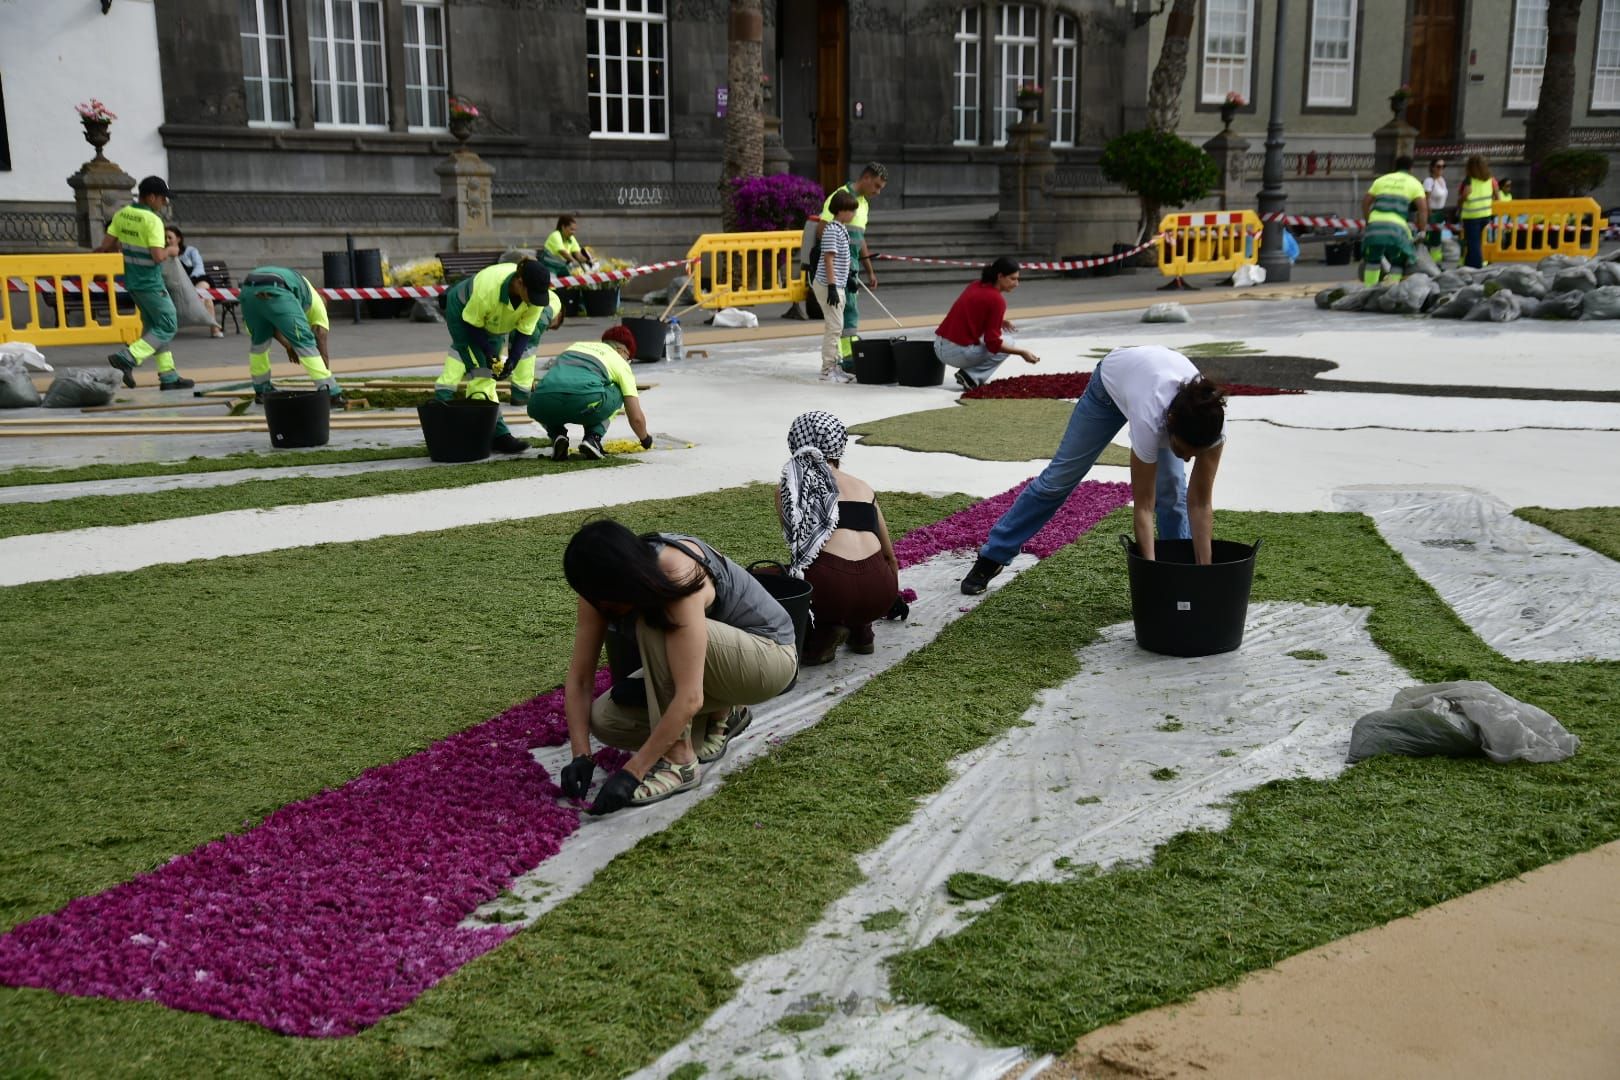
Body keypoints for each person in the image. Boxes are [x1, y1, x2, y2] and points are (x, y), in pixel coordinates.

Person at [556, 520, 799, 814]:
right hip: (709, 669)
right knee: (606, 719)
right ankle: (725, 714)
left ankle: (680, 763)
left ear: (625, 582)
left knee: (654, 623)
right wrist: (580, 755)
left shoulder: (674, 573)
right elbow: (581, 679)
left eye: (608, 604)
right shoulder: (600, 590)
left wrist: (633, 772)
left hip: (769, 658)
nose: (603, 611)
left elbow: (690, 696)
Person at [960, 345, 1227, 595]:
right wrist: (1150, 575)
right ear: (1170, 425)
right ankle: (993, 556)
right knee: (1058, 480)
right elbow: (1143, 507)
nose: (1188, 460)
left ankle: (1182, 574)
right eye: (1181, 451)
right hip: (1109, 389)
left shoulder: (1211, 428)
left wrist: (1204, 574)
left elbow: (1201, 504)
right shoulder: (1150, 420)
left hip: (1152, 387)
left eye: (1195, 454)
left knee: (1172, 494)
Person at [777, 411, 901, 665]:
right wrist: (889, 597)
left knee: (772, 578)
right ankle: (862, 630)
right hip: (880, 591)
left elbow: (800, 553)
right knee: (856, 576)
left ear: (796, 442)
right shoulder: (864, 487)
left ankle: (823, 634)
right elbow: (889, 556)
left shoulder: (790, 486)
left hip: (833, 590)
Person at [436, 257, 556, 455]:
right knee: (481, 373)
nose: (535, 300)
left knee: (489, 369)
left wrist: (513, 360)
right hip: (464, 315)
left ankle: (486, 432)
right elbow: (472, 324)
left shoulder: (536, 297)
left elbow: (525, 331)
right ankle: (497, 435)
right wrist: (489, 353)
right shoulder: (488, 289)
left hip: (492, 321)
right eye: (532, 294)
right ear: (519, 283)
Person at [97, 175, 194, 390]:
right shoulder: (152, 221)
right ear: (151, 197)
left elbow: (106, 245)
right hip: (151, 283)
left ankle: (168, 376)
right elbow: (158, 256)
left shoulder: (122, 214)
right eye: (162, 199)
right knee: (168, 324)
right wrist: (172, 250)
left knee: (154, 327)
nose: (164, 203)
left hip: (132, 282)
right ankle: (128, 356)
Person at [528, 326, 652, 461]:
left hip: (539, 403)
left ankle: (557, 435)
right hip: (584, 401)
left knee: (548, 394)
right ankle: (593, 438)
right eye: (628, 359)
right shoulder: (620, 363)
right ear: (621, 351)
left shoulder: (575, 347)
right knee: (618, 389)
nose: (628, 363)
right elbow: (636, 417)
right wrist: (645, 439)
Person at [238, 266, 345, 407]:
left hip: (248, 290)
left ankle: (261, 390)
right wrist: (326, 375)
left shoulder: (302, 291)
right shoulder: (317, 306)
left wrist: (288, 345)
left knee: (259, 344)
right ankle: (331, 393)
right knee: (304, 342)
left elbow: (271, 326)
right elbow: (320, 341)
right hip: (276, 289)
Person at [933, 257, 1042, 391]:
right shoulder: (997, 300)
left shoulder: (975, 284)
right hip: (956, 353)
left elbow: (971, 313)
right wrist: (1022, 352)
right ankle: (971, 377)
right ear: (1000, 276)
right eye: (1013, 279)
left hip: (938, 347)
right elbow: (993, 343)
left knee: (996, 339)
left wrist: (999, 321)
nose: (1016, 284)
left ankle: (969, 375)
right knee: (1009, 342)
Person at [817, 162, 887, 367]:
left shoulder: (863, 204)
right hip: (840, 271)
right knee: (846, 315)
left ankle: (849, 355)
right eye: (876, 186)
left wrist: (870, 271)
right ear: (865, 178)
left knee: (849, 312)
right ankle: (848, 359)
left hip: (853, 269)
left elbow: (860, 239)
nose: (878, 192)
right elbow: (823, 231)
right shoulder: (840, 197)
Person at [1359, 156, 1428, 288]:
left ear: (1395, 167)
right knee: (1399, 259)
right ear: (1411, 168)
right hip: (1397, 228)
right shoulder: (1414, 183)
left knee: (1373, 259)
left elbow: (1365, 203)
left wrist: (1369, 222)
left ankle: (1367, 290)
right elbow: (1423, 209)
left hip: (1375, 225)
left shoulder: (1381, 180)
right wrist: (1422, 230)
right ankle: (1391, 288)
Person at [815, 191, 857, 383]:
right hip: (828, 284)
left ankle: (834, 365)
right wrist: (832, 286)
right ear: (841, 211)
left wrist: (848, 278)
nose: (854, 214)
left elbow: (842, 258)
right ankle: (827, 369)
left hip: (837, 283)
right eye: (851, 210)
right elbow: (829, 258)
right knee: (834, 326)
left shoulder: (841, 229)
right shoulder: (832, 229)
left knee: (837, 326)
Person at [166, 227, 222, 338]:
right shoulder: (163, 253)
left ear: (178, 239)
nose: (167, 240)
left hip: (196, 279)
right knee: (208, 299)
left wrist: (189, 282)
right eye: (165, 238)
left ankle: (198, 307)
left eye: (169, 237)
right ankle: (214, 329)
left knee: (204, 290)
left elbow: (199, 267)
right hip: (176, 285)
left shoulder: (190, 251)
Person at [1458, 155, 1501, 270]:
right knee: (1476, 242)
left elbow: (1464, 196)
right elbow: (1498, 196)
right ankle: (1468, 265)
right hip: (1486, 215)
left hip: (1471, 215)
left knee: (1473, 243)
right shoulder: (1491, 180)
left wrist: (1460, 202)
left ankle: (1477, 267)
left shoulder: (1469, 180)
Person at [1421, 159, 1449, 265]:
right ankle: (1427, 261)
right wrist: (1428, 212)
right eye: (1438, 166)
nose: (1441, 169)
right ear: (1432, 168)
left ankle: (1436, 261)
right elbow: (1425, 198)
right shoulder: (1429, 181)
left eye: (1443, 166)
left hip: (1440, 212)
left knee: (1437, 238)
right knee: (1430, 238)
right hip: (1432, 212)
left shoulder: (1442, 180)